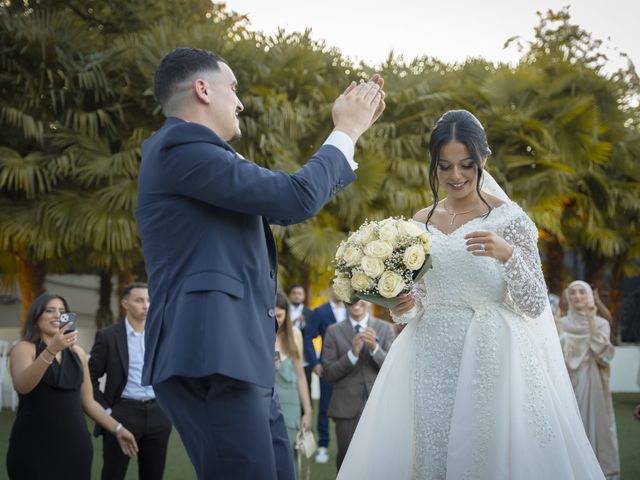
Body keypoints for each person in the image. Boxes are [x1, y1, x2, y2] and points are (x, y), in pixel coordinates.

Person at [135, 47, 385, 480]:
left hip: (237, 354)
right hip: (211, 352)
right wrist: (346, 130)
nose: (240, 101)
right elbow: (293, 197)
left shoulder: (203, 156)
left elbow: (286, 202)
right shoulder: (180, 147)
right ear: (202, 89)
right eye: (232, 88)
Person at [336, 110, 606, 479]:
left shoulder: (510, 219)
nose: (455, 176)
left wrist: (508, 255)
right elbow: (416, 301)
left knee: (484, 453)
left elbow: (534, 303)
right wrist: (404, 304)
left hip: (493, 353)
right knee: (434, 449)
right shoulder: (420, 222)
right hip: (431, 354)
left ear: (483, 158)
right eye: (444, 167)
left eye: (465, 164)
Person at [6, 293, 138, 479]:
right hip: (33, 443)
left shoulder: (77, 354)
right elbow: (23, 386)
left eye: (62, 311)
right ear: (36, 317)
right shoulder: (24, 348)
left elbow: (89, 403)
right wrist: (52, 350)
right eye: (50, 310)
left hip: (75, 445)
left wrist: (118, 429)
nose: (57, 315)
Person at [89, 283, 173, 480]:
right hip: (122, 413)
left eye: (149, 300)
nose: (146, 305)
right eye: (139, 300)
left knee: (153, 475)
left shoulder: (162, 334)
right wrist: (108, 412)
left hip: (158, 414)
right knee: (113, 474)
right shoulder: (108, 336)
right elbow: (90, 377)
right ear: (125, 303)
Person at [322, 299, 395, 470]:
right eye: (351, 298)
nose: (356, 303)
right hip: (345, 408)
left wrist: (375, 349)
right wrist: (352, 354)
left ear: (369, 300)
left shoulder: (385, 328)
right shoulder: (333, 331)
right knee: (346, 460)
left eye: (360, 298)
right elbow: (329, 373)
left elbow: (393, 368)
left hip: (379, 406)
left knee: (378, 460)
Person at [558, 280, 620, 479]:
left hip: (593, 385)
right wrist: (557, 327)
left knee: (593, 426)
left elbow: (604, 355)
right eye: (573, 292)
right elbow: (556, 356)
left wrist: (592, 321)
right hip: (566, 384)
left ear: (590, 295)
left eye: (582, 292)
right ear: (568, 297)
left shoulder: (601, 323)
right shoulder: (561, 323)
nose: (577, 296)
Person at [303, 283, 348, 463]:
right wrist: (314, 363)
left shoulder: (351, 308)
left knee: (351, 407)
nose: (338, 290)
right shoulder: (320, 312)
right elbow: (308, 336)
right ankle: (323, 445)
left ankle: (350, 446)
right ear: (330, 289)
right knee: (325, 407)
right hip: (327, 367)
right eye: (335, 287)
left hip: (349, 367)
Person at [274, 291, 313, 477]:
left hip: (291, 407)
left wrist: (308, 411)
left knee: (289, 456)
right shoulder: (258, 333)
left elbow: (301, 376)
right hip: (265, 403)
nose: (277, 320)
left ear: (286, 314)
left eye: (280, 316)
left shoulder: (295, 335)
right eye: (273, 316)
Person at [288, 285, 314, 392]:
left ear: (303, 296)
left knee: (306, 388)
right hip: (286, 355)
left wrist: (303, 324)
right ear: (290, 295)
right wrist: (291, 323)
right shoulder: (283, 310)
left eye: (299, 294)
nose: (296, 296)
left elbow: (315, 334)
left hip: (305, 358)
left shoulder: (310, 313)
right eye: (294, 293)